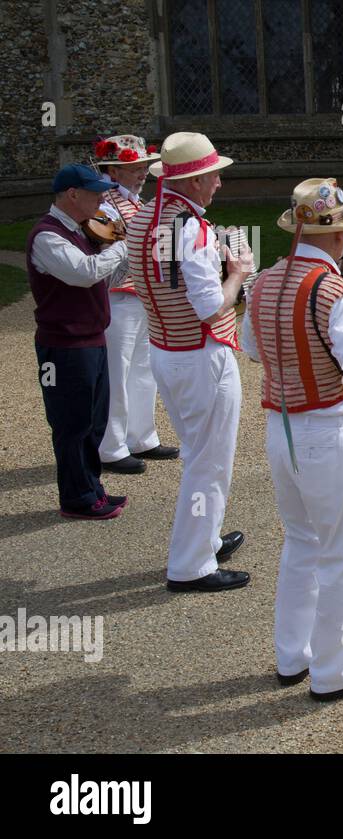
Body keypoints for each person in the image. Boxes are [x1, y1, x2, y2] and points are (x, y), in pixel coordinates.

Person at [242, 178, 343, 702]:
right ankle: (336, 672)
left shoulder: (262, 282)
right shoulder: (336, 293)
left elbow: (253, 350)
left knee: (301, 542)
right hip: (328, 432)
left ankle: (293, 656)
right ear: (338, 236)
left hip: (279, 428)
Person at [126, 132, 252, 591]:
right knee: (209, 462)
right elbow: (211, 307)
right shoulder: (190, 229)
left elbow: (167, 279)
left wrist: (212, 255)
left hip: (166, 348)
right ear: (195, 181)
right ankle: (191, 565)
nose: (218, 183)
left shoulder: (147, 217)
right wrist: (236, 272)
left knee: (202, 455)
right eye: (213, 175)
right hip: (200, 355)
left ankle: (206, 538)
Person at [27, 164, 132, 519]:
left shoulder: (83, 231)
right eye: (96, 192)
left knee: (94, 421)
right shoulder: (47, 236)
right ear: (73, 194)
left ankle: (92, 489)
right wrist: (120, 246)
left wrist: (115, 247)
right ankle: (77, 498)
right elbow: (85, 273)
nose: (103, 198)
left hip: (91, 339)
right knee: (71, 423)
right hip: (63, 346)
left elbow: (110, 275)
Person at [93, 135, 179, 474]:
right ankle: (111, 446)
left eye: (143, 166)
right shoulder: (105, 202)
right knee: (118, 370)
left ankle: (142, 436)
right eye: (133, 167)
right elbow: (114, 252)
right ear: (113, 170)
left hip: (142, 295)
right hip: (118, 298)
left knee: (145, 368)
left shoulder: (138, 202)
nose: (142, 172)